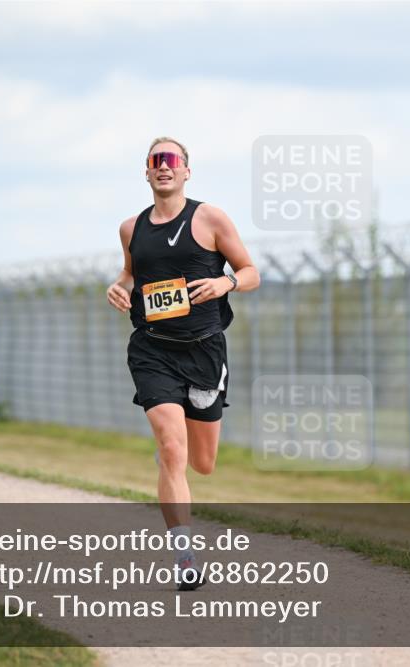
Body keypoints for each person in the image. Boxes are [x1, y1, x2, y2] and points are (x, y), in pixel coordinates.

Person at [107, 137, 259, 590]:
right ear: (146, 172)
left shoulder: (209, 217)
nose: (164, 167)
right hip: (152, 348)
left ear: (187, 171)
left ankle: (175, 451)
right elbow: (130, 274)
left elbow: (251, 271)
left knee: (204, 462)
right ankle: (185, 558)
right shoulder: (131, 228)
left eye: (172, 160)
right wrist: (116, 286)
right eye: (156, 161)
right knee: (173, 450)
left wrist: (224, 283)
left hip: (204, 350)